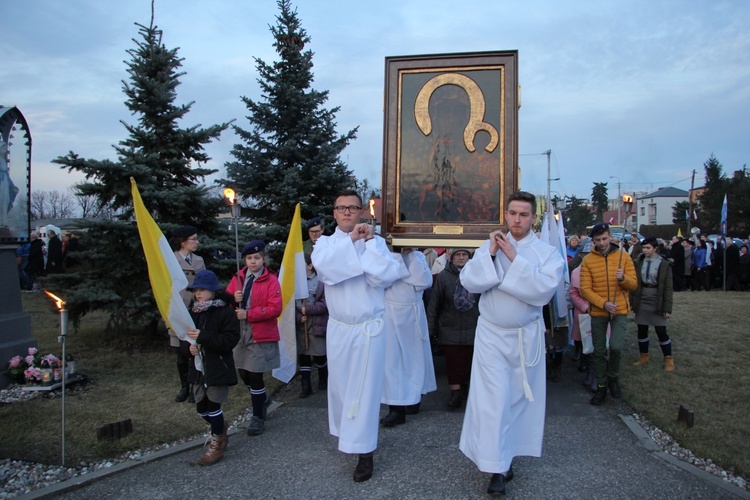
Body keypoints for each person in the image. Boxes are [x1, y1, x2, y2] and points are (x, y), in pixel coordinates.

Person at [458, 191, 564, 496]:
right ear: (505, 214)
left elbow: (542, 291)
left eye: (524, 215)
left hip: (525, 337)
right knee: (494, 401)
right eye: (512, 213)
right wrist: (491, 254)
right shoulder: (490, 245)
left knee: (517, 400)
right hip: (491, 335)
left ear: (533, 218)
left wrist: (514, 259)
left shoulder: (546, 253)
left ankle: (507, 455)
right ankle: (496, 469)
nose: (517, 220)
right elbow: (470, 282)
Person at [311, 189, 400, 482]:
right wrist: (352, 243)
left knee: (364, 390)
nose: (347, 212)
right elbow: (327, 270)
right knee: (340, 388)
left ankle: (365, 453)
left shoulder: (377, 244)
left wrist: (369, 243)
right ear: (334, 213)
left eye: (353, 208)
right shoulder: (324, 244)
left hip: (368, 329)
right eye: (341, 208)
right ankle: (348, 437)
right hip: (339, 328)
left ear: (362, 211)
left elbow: (384, 276)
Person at [226, 240, 282, 436]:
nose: (253, 262)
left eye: (257, 258)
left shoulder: (271, 280)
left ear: (263, 259)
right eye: (249, 258)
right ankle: (263, 399)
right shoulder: (238, 278)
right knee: (243, 372)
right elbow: (226, 302)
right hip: (239, 332)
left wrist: (249, 314)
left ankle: (257, 416)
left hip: (259, 332)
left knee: (255, 373)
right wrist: (234, 299)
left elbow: (275, 308)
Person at [185, 270, 240, 465]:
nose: (198, 293)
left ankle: (216, 444)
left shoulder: (224, 312)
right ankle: (220, 428)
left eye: (202, 290)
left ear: (213, 291)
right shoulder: (193, 312)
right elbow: (189, 336)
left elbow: (230, 340)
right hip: (199, 367)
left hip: (217, 366)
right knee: (202, 409)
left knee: (213, 405)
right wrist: (191, 347)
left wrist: (203, 337)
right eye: (195, 290)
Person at [580, 222, 638, 406]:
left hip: (619, 309)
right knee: (598, 351)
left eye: (604, 239)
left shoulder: (623, 256)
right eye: (597, 240)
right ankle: (602, 385)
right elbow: (585, 289)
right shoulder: (588, 260)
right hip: (599, 311)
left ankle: (613, 378)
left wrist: (623, 279)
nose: (602, 243)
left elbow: (634, 284)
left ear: (610, 237)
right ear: (593, 241)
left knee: (615, 347)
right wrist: (603, 303)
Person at [380, 246, 436, 426]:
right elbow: (383, 278)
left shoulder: (417, 256)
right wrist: (397, 259)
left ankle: (413, 399)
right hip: (390, 311)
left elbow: (424, 281)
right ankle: (396, 408)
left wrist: (409, 255)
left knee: (414, 359)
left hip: (412, 313)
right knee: (392, 361)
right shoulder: (383, 254)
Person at [426, 248, 479, 409]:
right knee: (453, 362)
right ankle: (455, 392)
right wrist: (431, 328)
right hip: (449, 326)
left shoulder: (477, 274)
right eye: (458, 255)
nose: (461, 258)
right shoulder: (444, 276)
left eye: (464, 255)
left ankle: (465, 387)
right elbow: (434, 303)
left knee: (469, 361)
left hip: (472, 325)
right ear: (451, 257)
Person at [169, 226, 205, 403]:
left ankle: (194, 385)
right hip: (178, 309)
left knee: (194, 349)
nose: (197, 242)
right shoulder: (170, 260)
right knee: (181, 352)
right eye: (194, 239)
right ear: (183, 242)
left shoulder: (199, 260)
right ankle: (184, 386)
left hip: (195, 310)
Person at [632, 237, 674, 371]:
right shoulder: (639, 261)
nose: (645, 250)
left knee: (661, 330)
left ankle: (668, 358)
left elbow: (668, 287)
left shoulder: (664, 263)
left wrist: (667, 308)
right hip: (643, 295)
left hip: (657, 297)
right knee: (642, 329)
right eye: (643, 248)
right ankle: (644, 356)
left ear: (655, 248)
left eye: (648, 248)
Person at [296, 253, 328, 398]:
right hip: (302, 323)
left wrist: (307, 309)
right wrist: (298, 316)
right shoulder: (296, 283)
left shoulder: (321, 281)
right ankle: (305, 385)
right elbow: (288, 304)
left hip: (317, 323)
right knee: (303, 355)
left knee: (319, 354)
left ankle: (323, 377)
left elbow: (326, 304)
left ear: (310, 266)